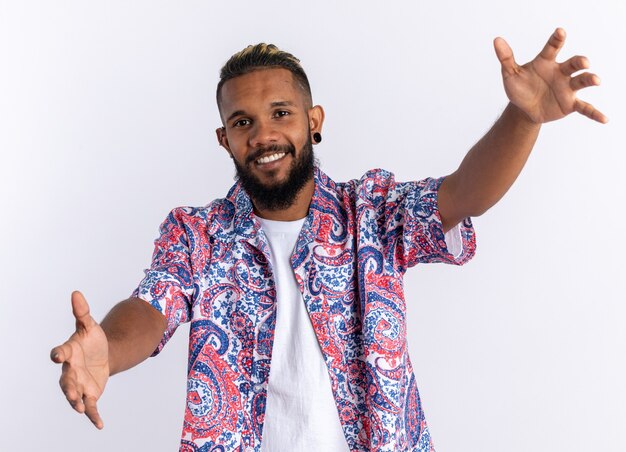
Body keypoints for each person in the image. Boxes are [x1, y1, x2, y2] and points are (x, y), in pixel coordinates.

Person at [51, 29, 606, 451]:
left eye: (281, 113)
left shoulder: (373, 211)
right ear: (224, 139)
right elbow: (152, 306)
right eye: (242, 122)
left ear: (313, 121)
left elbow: (464, 194)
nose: (264, 134)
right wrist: (109, 350)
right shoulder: (196, 234)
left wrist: (522, 117)